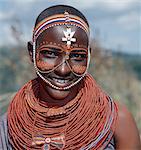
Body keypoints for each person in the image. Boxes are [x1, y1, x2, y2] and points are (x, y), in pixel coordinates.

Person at [0, 5, 141, 150]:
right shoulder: (8, 127)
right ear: (32, 52)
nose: (63, 69)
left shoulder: (117, 122)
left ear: (89, 55)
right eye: (50, 54)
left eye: (78, 56)